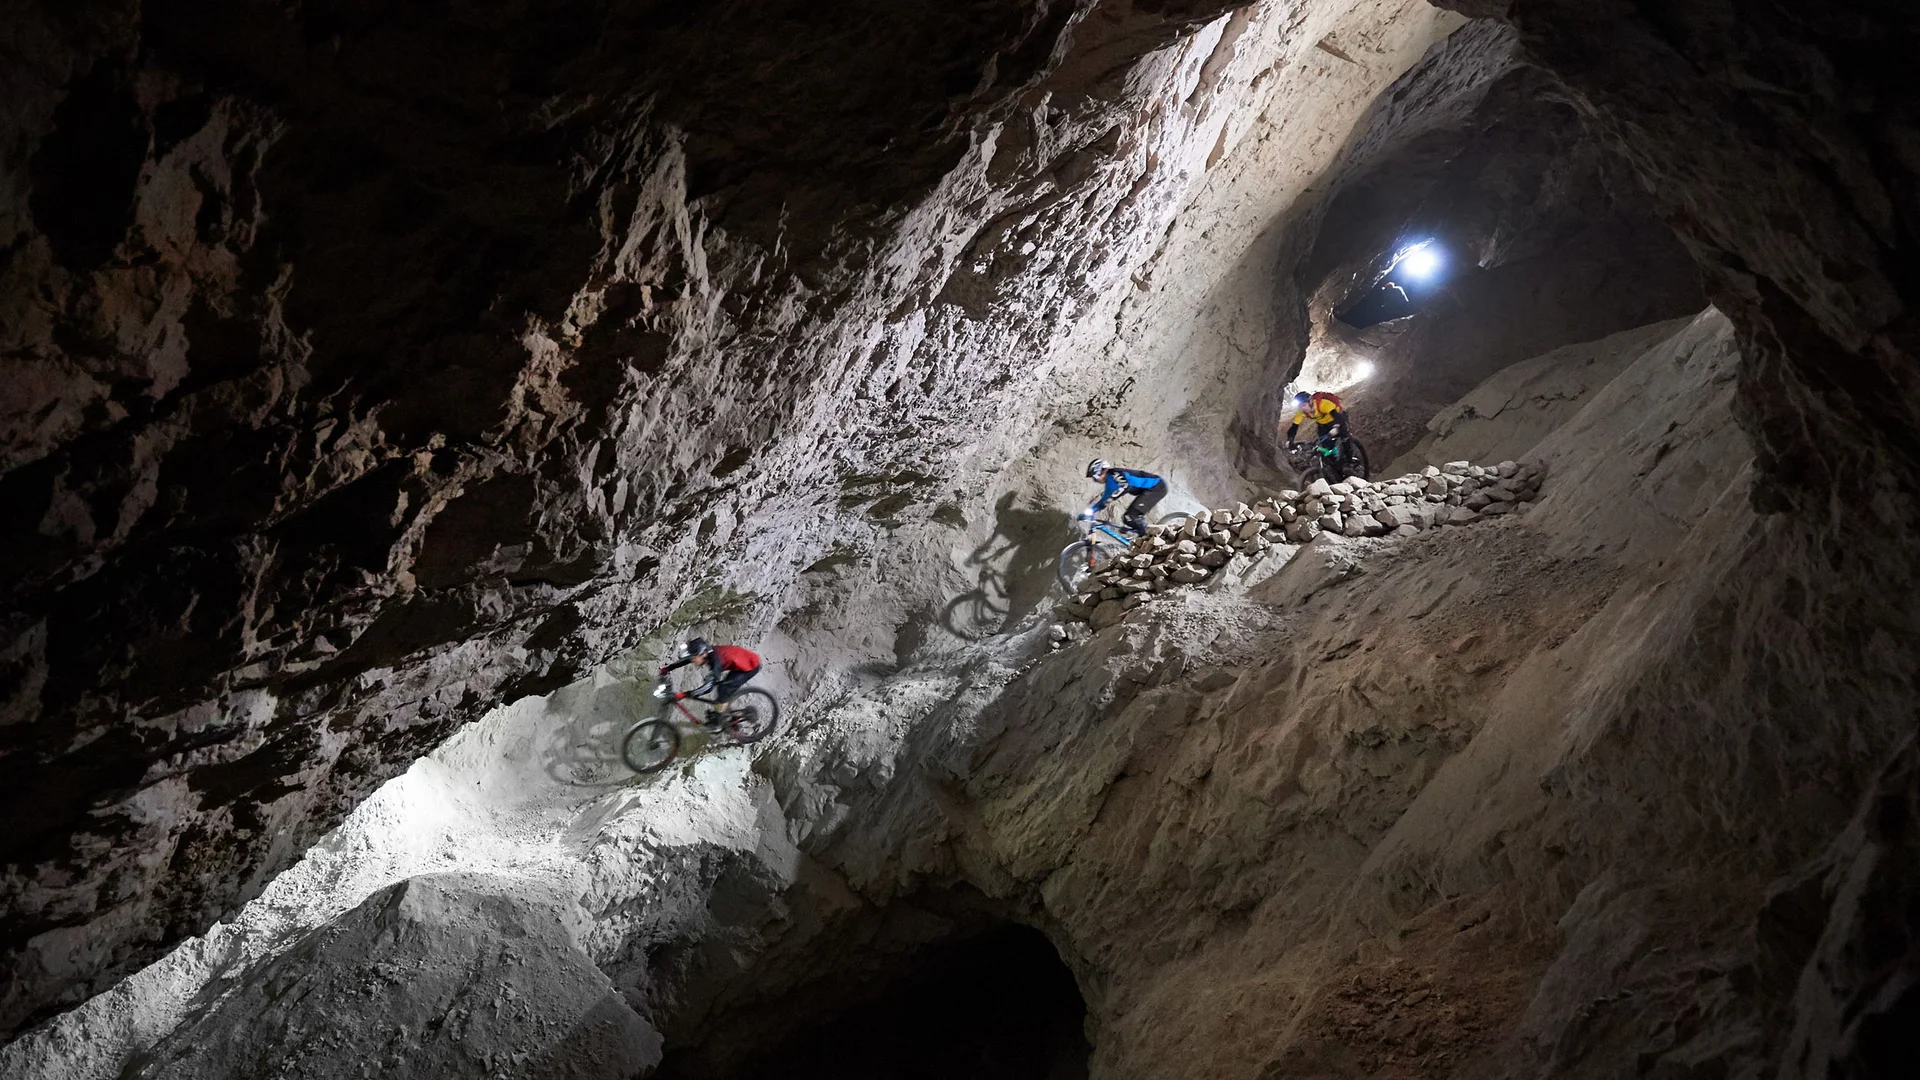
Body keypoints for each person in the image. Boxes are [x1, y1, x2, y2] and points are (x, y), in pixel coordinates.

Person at [658, 637, 762, 726]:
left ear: (703, 654)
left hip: (751, 666)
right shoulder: (706, 654)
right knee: (722, 689)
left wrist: (683, 694)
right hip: (739, 664)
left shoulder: (716, 662)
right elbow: (687, 660)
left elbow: (707, 689)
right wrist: (668, 669)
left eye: (694, 658)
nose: (693, 661)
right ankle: (726, 712)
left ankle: (717, 722)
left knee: (724, 690)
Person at [1083, 459, 1166, 534]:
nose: (1096, 481)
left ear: (1101, 471)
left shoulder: (1115, 475)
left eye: (1095, 478)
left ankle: (1149, 539)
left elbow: (1124, 487)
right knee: (1128, 518)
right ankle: (1142, 536)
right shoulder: (1111, 480)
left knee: (1130, 516)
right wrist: (1091, 510)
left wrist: (1094, 509)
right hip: (1150, 489)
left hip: (1157, 487)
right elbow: (1104, 500)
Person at [1284, 390, 1352, 479]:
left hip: (1338, 419)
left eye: (1304, 405)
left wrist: (1335, 428)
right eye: (1300, 407)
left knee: (1345, 438)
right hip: (1323, 424)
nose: (1303, 409)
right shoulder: (1301, 412)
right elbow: (1294, 426)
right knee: (1325, 448)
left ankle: (1349, 462)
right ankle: (1338, 470)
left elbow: (1338, 417)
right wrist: (1290, 439)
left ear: (1310, 402)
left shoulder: (1323, 404)